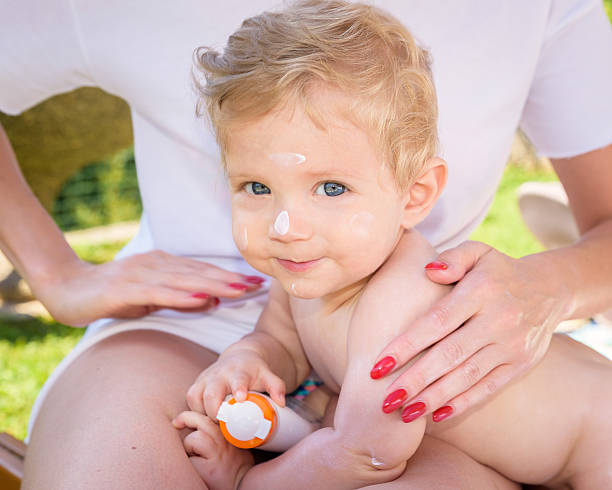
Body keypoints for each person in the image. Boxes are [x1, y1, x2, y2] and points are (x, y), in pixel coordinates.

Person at [0, 0, 610, 487]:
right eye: (257, 186)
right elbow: (284, 339)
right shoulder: (311, 268)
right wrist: (252, 360)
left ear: (416, 194)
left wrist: (249, 482)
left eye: (332, 187)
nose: (286, 225)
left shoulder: (398, 298)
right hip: (187, 342)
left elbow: (365, 453)